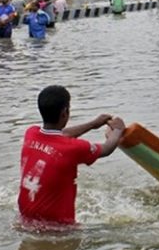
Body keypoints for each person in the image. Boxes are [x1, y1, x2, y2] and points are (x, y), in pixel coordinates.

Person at [18, 85, 125, 225]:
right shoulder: (73, 148)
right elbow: (106, 149)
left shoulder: (31, 133)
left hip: (25, 220)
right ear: (65, 112)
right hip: (59, 230)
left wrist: (93, 124)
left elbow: (61, 135)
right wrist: (118, 130)